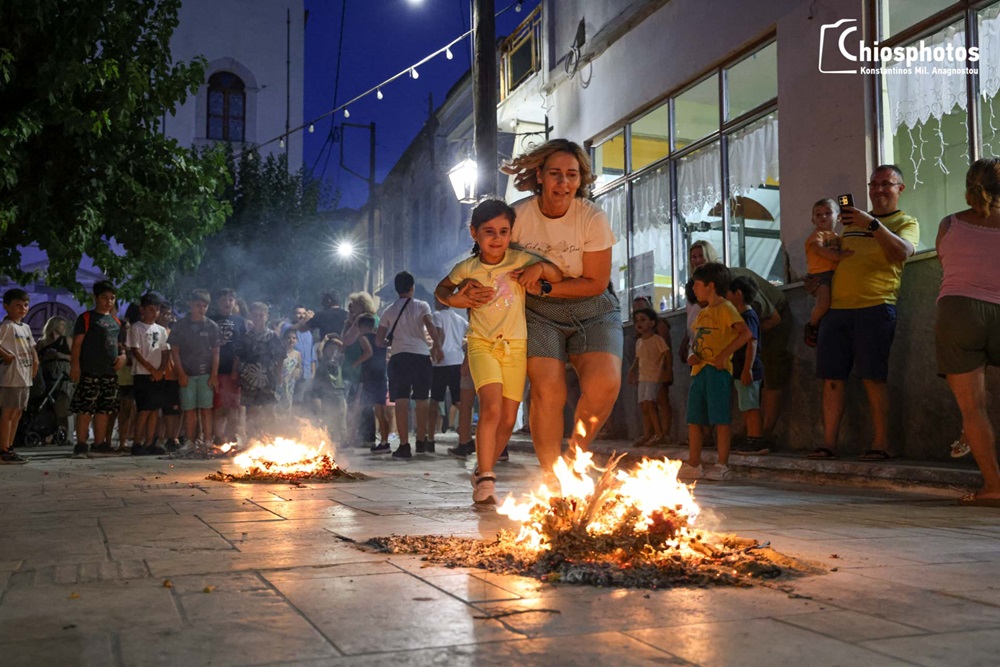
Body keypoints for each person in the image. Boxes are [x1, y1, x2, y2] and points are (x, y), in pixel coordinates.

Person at [469, 139, 623, 479]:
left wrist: (549, 282)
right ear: (539, 176)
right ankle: (553, 477)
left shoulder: (592, 218)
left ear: (580, 180)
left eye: (571, 175)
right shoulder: (519, 216)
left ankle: (575, 458)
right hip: (537, 312)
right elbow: (489, 258)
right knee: (547, 391)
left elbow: (596, 282)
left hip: (592, 307)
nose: (563, 183)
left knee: (605, 383)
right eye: (555, 174)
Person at [436, 198, 563, 504]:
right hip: (482, 345)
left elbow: (556, 276)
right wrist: (456, 299)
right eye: (489, 231)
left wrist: (540, 268)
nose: (496, 238)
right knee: (491, 409)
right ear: (474, 233)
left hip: (516, 347)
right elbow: (441, 291)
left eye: (503, 231)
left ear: (511, 233)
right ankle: (488, 476)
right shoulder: (466, 268)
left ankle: (481, 471)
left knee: (507, 418)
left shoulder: (520, 260)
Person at [811, 164, 919, 460]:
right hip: (838, 310)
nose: (879, 189)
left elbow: (902, 252)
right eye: (874, 184)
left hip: (876, 306)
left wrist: (872, 224)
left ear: (900, 189)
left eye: (887, 184)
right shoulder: (849, 225)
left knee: (873, 377)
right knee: (831, 378)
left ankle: (881, 443)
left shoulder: (905, 221)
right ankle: (828, 443)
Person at [934, 159, 1000, 505]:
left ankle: (993, 487)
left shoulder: (950, 224)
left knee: (973, 408)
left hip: (959, 311)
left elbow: (946, 263)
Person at [682, 241, 793, 445]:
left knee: (769, 371)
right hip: (745, 331)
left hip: (771, 318)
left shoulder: (736, 286)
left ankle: (763, 434)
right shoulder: (716, 299)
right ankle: (750, 431)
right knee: (745, 387)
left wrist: (744, 341)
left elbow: (772, 319)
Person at [678, 263, 751, 481]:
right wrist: (693, 353)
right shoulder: (703, 312)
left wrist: (723, 355)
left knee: (720, 418)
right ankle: (694, 462)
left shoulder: (726, 308)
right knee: (694, 418)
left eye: (697, 285)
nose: (694, 289)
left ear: (710, 285)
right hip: (699, 370)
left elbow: (745, 334)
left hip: (717, 371)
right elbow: (697, 340)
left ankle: (722, 463)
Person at [377, 271, 443, 458]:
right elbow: (430, 326)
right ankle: (421, 441)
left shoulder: (388, 311)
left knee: (401, 400)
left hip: (399, 358)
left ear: (396, 289)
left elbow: (379, 340)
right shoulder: (422, 306)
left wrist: (392, 342)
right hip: (421, 356)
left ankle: (404, 445)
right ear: (412, 287)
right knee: (422, 399)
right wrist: (437, 346)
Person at [70, 281, 126, 458]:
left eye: (112, 298)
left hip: (109, 372)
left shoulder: (116, 321)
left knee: (104, 409)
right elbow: (77, 344)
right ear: (95, 298)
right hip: (90, 370)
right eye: (104, 297)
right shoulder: (86, 318)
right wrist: (75, 366)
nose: (108, 301)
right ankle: (80, 445)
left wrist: (123, 356)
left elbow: (120, 345)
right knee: (86, 408)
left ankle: (100, 443)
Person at [169, 290, 221, 447]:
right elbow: (175, 352)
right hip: (187, 374)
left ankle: (207, 440)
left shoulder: (212, 326)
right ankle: (190, 441)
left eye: (205, 306)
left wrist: (214, 375)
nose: (201, 309)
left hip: (205, 374)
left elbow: (216, 352)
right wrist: (180, 373)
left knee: (206, 408)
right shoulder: (180, 326)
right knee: (189, 409)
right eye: (198, 305)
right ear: (190, 304)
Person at [803, 198, 853, 347]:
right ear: (813, 220)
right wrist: (838, 256)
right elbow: (818, 249)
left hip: (834, 274)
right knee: (823, 303)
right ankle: (812, 325)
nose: (823, 217)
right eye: (818, 215)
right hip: (820, 275)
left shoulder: (837, 237)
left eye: (827, 213)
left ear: (838, 217)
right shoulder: (817, 235)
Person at [727, 276, 767, 455]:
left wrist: (747, 368)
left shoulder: (748, 316)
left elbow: (752, 342)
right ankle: (751, 438)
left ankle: (756, 440)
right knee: (746, 405)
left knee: (751, 406)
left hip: (748, 368)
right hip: (740, 367)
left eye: (729, 292)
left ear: (738, 294)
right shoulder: (741, 316)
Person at [127, 292, 169, 456]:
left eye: (157, 310)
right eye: (151, 309)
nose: (155, 313)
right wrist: (152, 369)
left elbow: (165, 352)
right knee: (144, 409)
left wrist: (160, 371)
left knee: (155, 410)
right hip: (142, 374)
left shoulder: (161, 330)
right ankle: (137, 443)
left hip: (158, 374)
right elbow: (136, 352)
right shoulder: (136, 328)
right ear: (142, 309)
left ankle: (150, 442)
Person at [236, 302, 286, 438]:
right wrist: (234, 373)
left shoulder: (273, 337)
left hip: (268, 377)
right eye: (255, 315)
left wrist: (279, 374)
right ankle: (252, 438)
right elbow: (238, 357)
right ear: (251, 317)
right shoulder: (246, 337)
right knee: (251, 409)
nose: (258, 318)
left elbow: (281, 357)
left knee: (268, 407)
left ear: (266, 317)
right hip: (248, 377)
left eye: (261, 315)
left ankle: (271, 436)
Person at [0, 288, 38, 463]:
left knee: (17, 412)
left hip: (25, 375)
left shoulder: (26, 327)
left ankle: (10, 446)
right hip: (11, 377)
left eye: (26, 305)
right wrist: (6, 355)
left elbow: (31, 347)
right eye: (18, 305)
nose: (23, 308)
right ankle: (3, 449)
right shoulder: (6, 326)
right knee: (8, 412)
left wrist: (35, 362)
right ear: (7, 306)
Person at [632, 296, 673, 442]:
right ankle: (648, 433)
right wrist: (633, 371)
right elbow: (638, 358)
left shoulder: (659, 331)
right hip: (644, 376)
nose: (639, 322)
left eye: (643, 317)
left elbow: (667, 352)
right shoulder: (639, 340)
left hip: (656, 374)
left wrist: (667, 371)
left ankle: (662, 434)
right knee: (645, 405)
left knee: (658, 402)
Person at [429, 301, 468, 448]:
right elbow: (468, 334)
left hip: (441, 363)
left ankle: (431, 439)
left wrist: (436, 348)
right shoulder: (460, 319)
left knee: (434, 401)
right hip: (457, 361)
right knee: (459, 401)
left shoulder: (437, 315)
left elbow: (440, 333)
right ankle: (466, 435)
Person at [211, 288, 247, 445]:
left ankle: (233, 436)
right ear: (218, 302)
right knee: (218, 404)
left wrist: (237, 368)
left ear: (234, 302)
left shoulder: (240, 321)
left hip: (233, 369)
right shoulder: (210, 320)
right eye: (224, 299)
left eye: (231, 299)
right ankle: (218, 436)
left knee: (234, 405)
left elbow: (243, 346)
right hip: (215, 368)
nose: (227, 302)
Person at [353, 314, 390, 451]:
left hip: (369, 378)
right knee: (380, 411)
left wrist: (355, 363)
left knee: (361, 407)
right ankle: (385, 442)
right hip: (381, 376)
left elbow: (368, 352)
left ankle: (356, 437)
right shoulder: (381, 339)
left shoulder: (362, 337)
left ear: (361, 327)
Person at [36, 316, 73, 441]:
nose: (63, 328)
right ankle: (47, 433)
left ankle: (63, 434)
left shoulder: (66, 340)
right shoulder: (42, 342)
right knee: (46, 404)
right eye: (61, 325)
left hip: (63, 376)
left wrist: (60, 355)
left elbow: (74, 357)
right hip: (47, 375)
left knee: (62, 405)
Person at [155, 301, 182, 450]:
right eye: (163, 313)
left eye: (169, 314)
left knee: (173, 409)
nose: (166, 317)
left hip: (172, 374)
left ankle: (173, 438)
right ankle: (159, 438)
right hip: (158, 374)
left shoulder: (173, 332)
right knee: (159, 410)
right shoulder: (154, 331)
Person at [314, 334, 348, 444]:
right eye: (330, 348)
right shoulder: (324, 360)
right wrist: (325, 339)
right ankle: (330, 439)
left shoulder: (339, 359)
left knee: (341, 416)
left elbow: (344, 348)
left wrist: (337, 341)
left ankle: (343, 440)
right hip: (327, 392)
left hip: (339, 392)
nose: (332, 350)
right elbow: (319, 351)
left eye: (335, 348)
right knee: (329, 415)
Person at [281, 306, 315, 408]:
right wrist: (307, 319)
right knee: (288, 401)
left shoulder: (309, 333)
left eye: (304, 313)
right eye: (298, 313)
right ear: (293, 315)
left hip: (305, 374)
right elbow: (292, 329)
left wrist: (313, 373)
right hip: (289, 374)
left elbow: (312, 355)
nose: (302, 316)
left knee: (301, 404)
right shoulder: (287, 327)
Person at [277, 329, 302, 414]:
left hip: (290, 384)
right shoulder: (279, 352)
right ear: (283, 339)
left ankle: (286, 425)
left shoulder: (297, 354)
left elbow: (299, 367)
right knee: (277, 406)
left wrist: (297, 371)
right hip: (279, 384)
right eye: (288, 338)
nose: (291, 340)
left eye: (294, 338)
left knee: (287, 405)